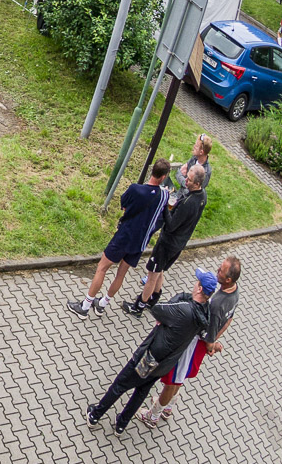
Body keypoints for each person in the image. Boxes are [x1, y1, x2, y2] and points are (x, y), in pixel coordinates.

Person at [87, 269, 215, 433]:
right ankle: (121, 424)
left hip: (150, 357)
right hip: (165, 363)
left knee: (120, 384)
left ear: (200, 288)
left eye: (197, 282)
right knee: (141, 392)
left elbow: (158, 309)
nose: (194, 284)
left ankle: (95, 415)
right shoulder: (205, 313)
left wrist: (172, 310)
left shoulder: (183, 309)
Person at [140, 255, 240, 429]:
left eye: (221, 271)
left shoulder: (216, 304)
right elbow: (229, 320)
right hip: (201, 343)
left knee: (174, 380)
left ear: (228, 279)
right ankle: (167, 407)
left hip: (194, 343)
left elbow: (209, 338)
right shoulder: (234, 292)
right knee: (180, 377)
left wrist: (213, 345)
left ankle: (153, 416)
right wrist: (215, 339)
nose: (217, 270)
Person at [67, 162, 169, 319]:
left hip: (124, 237)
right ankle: (102, 304)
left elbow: (124, 206)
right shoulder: (164, 196)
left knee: (102, 268)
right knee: (121, 274)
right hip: (139, 243)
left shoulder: (135, 189)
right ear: (163, 177)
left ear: (152, 170)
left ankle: (85, 306)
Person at [125, 163, 207, 314]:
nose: (185, 181)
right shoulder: (203, 196)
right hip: (179, 243)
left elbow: (171, 225)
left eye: (189, 180)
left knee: (152, 273)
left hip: (167, 243)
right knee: (159, 269)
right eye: (186, 177)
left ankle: (139, 306)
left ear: (197, 183)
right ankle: (154, 298)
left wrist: (164, 205)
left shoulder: (188, 203)